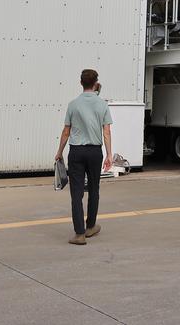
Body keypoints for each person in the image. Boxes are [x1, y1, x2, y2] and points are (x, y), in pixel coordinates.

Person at [56, 68, 113, 245]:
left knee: (76, 193)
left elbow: (66, 131)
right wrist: (109, 154)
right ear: (96, 83)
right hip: (95, 152)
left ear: (81, 83)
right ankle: (91, 227)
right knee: (94, 189)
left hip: (76, 152)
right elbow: (107, 131)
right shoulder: (102, 104)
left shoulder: (73, 104)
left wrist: (59, 152)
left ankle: (79, 234)